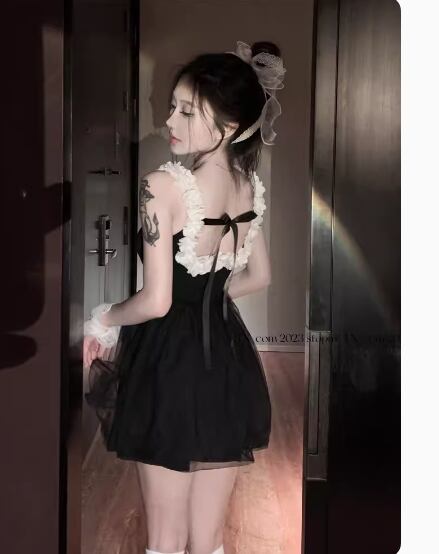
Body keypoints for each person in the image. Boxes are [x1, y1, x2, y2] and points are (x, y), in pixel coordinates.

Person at [83, 40, 286, 554]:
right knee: (208, 536)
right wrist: (207, 300)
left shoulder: (163, 186)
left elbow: (155, 302)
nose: (169, 119)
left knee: (166, 538)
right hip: (227, 359)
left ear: (231, 126)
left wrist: (104, 318)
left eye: (187, 111)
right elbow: (260, 275)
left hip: (168, 363)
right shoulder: (248, 185)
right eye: (173, 105)